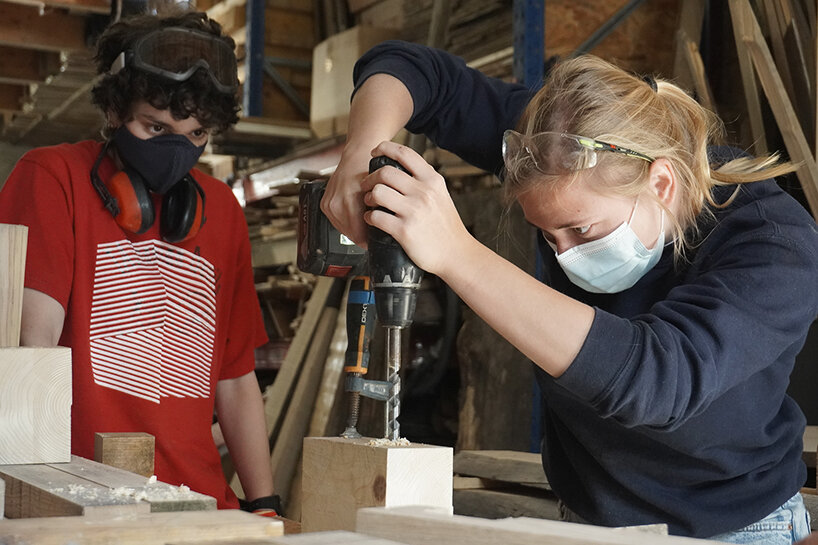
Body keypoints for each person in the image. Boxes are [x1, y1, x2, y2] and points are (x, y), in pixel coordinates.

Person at [322, 40, 818, 542]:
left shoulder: (772, 241)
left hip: (733, 527)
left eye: (581, 231)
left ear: (662, 183)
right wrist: (359, 153)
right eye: (547, 235)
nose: (564, 254)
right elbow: (415, 69)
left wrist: (456, 254)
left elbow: (658, 380)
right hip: (586, 519)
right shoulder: (556, 148)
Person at [0, 11, 279, 514]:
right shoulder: (50, 177)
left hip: (200, 505)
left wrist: (264, 502)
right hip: (83, 498)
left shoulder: (222, 212)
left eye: (195, 136)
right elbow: (30, 348)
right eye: (156, 127)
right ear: (113, 110)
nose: (176, 150)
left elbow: (236, 381)